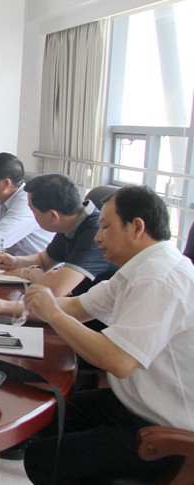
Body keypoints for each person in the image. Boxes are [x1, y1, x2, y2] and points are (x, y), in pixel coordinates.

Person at [21, 185, 192, 483]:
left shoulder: (159, 278)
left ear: (137, 227)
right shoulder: (139, 268)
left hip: (164, 430)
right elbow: (78, 306)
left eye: (105, 227)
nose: (97, 237)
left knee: (42, 459)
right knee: (43, 415)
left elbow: (119, 361)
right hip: (132, 403)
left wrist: (53, 314)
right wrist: (7, 307)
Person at [0, 174, 115, 320]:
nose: (32, 217)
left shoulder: (94, 232)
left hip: (94, 320)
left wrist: (28, 273)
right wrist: (14, 261)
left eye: (33, 211)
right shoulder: (71, 222)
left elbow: (56, 289)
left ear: (53, 216)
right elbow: (44, 260)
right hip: (70, 309)